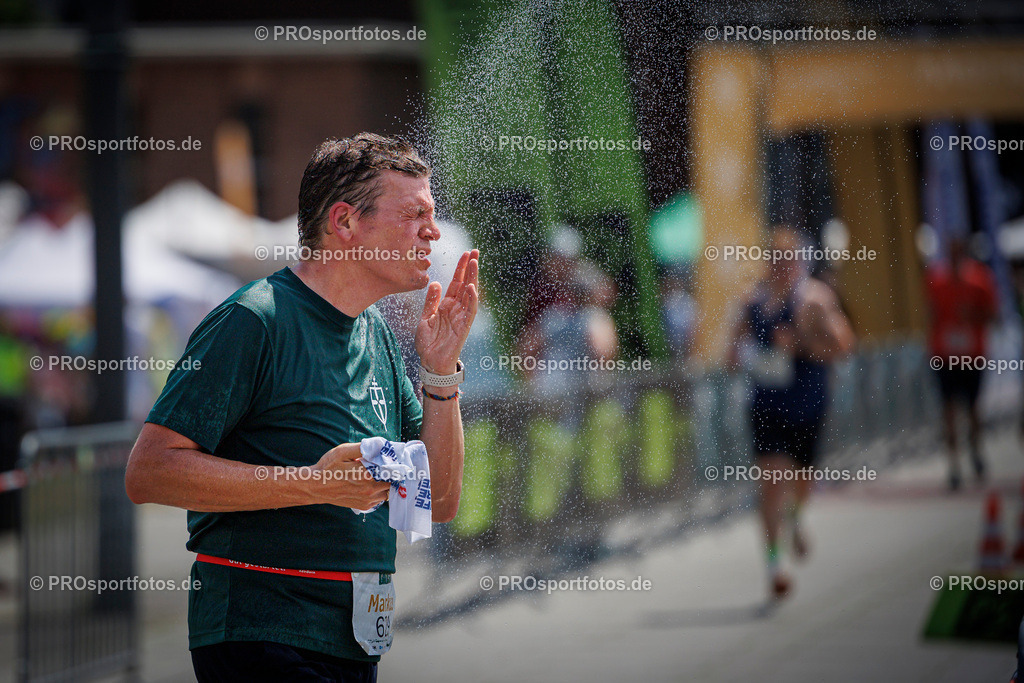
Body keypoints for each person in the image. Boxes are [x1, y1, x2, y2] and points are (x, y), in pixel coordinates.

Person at [125, 133, 479, 683]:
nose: (432, 231)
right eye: (414, 214)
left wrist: (440, 375)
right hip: (262, 635)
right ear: (344, 222)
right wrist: (313, 484)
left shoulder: (378, 334)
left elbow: (439, 503)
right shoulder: (255, 319)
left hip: (355, 641)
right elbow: (149, 473)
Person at [730, 226, 855, 599]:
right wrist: (746, 356)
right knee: (769, 483)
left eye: (788, 260)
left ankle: (796, 516)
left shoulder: (814, 300)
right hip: (766, 406)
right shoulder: (752, 303)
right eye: (775, 259)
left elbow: (844, 346)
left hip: (808, 406)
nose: (781, 266)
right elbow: (730, 355)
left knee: (800, 483)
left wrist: (800, 342)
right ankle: (774, 564)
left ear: (800, 262)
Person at [924, 236, 998, 490]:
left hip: (972, 355)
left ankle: (976, 452)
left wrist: (973, 314)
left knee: (973, 408)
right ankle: (953, 465)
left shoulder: (980, 277)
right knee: (948, 411)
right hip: (944, 356)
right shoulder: (936, 278)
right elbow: (929, 312)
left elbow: (993, 314)